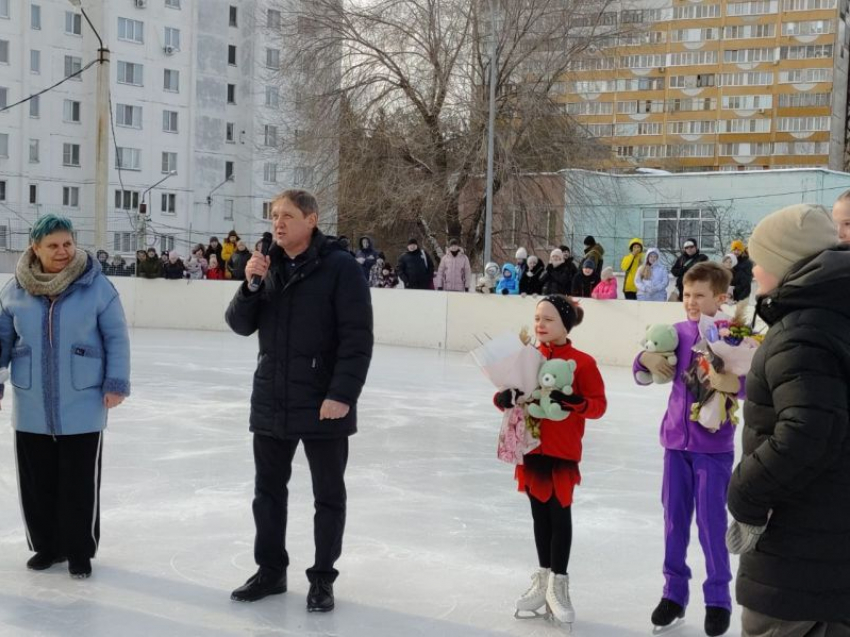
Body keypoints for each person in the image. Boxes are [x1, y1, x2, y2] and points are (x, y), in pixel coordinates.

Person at [225, 189, 373, 611]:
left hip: (324, 402)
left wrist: (342, 394)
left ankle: (323, 578)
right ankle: (270, 571)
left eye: (287, 215)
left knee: (328, 496)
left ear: (311, 219)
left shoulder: (340, 268)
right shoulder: (265, 265)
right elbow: (239, 325)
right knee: (267, 492)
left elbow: (357, 338)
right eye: (274, 216)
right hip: (272, 397)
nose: (278, 223)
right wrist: (251, 285)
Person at [725, 204, 850, 637]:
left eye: (761, 260)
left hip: (795, 561)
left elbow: (809, 432)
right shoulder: (834, 318)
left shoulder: (801, 332)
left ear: (784, 264)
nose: (754, 270)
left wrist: (745, 492)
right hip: (827, 554)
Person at [0, 214, 131, 580]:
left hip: (83, 399)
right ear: (35, 249)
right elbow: (2, 341)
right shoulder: (15, 290)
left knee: (78, 481)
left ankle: (78, 550)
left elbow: (117, 338)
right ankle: (47, 547)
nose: (63, 252)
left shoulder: (96, 286)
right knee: (36, 480)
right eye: (53, 245)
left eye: (68, 244)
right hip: (31, 401)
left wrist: (116, 382)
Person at [633, 262, 743, 637]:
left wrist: (733, 383)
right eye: (686, 294)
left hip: (713, 449)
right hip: (675, 447)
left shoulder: (733, 335)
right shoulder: (677, 333)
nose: (690, 301)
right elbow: (645, 361)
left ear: (721, 298)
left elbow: (748, 383)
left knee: (712, 525)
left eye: (699, 295)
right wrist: (644, 360)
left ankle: (718, 599)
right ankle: (673, 593)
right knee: (674, 522)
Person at [496, 295, 607, 625]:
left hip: (562, 451)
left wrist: (573, 401)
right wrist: (502, 398)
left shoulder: (582, 362)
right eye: (537, 318)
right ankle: (543, 577)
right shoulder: (527, 357)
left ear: (565, 324)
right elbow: (507, 394)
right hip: (531, 448)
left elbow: (598, 406)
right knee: (538, 516)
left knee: (560, 516)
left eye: (548, 319)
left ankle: (559, 583)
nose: (540, 325)